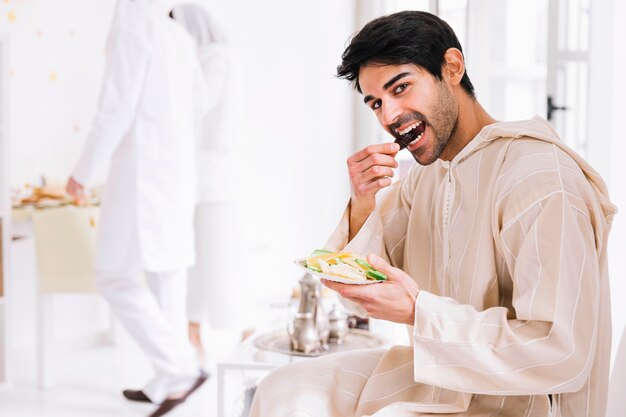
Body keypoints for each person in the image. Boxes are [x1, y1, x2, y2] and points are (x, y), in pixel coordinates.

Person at [249, 10, 616, 417]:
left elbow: (559, 354)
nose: (388, 116)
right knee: (284, 389)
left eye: (401, 88)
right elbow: (359, 297)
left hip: (521, 404)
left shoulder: (540, 178)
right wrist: (363, 201)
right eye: (376, 103)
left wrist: (418, 312)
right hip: (443, 384)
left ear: (452, 67)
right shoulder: (429, 178)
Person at [65, 1, 208, 415]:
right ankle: (170, 380)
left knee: (112, 275)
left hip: (142, 171)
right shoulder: (178, 34)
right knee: (167, 278)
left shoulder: (133, 18)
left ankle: (180, 368)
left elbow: (116, 105)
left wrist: (83, 172)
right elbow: (198, 103)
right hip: (176, 168)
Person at [169, 4, 249, 365]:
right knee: (198, 260)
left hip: (215, 177)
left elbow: (194, 106)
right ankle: (192, 333)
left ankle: (245, 333)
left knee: (220, 258)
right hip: (201, 176)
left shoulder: (216, 59)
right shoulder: (209, 58)